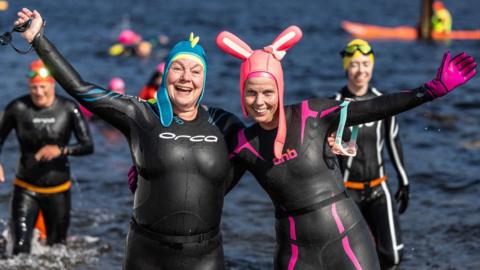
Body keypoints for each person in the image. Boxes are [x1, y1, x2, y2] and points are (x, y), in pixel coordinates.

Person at [217, 26, 476, 269]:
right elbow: (210, 193)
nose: (259, 102)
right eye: (251, 92)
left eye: (267, 92)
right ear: (242, 92)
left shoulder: (311, 114)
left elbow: (375, 107)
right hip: (294, 251)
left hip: (346, 239)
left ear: (280, 89)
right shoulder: (244, 144)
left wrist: (430, 90)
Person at [15, 8, 244, 269]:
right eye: (177, 68)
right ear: (166, 73)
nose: (186, 78)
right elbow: (80, 88)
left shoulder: (224, 123)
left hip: (206, 256)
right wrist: (38, 39)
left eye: (195, 71)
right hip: (147, 253)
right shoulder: (141, 114)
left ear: (204, 80)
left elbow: (260, 157)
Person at [0, 59, 94, 255]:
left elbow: (88, 146)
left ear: (52, 85)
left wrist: (61, 150)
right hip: (25, 189)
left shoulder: (68, 108)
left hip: (58, 191)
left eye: (43, 87)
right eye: (34, 88)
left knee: (57, 250)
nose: (39, 92)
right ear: (29, 86)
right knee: (19, 248)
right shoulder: (17, 108)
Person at [333, 39, 409, 269]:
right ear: (346, 66)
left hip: (379, 189)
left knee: (392, 257)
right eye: (354, 64)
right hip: (347, 193)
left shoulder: (383, 102)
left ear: (372, 66)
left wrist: (404, 180)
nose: (360, 70)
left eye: (366, 64)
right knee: (349, 259)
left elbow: (393, 142)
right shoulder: (335, 105)